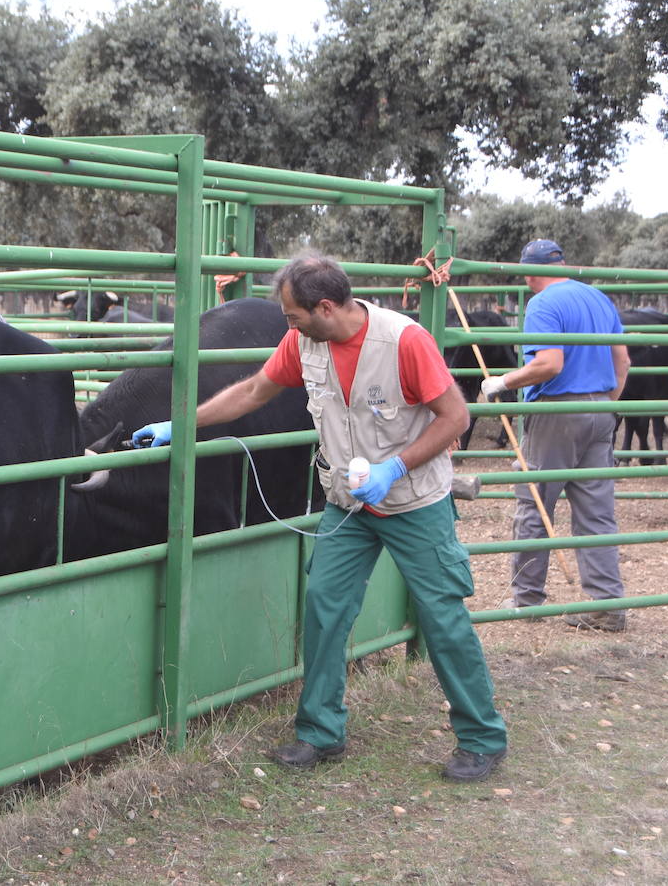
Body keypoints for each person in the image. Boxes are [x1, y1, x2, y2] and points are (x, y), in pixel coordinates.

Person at [132, 252, 508, 782]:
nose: (288, 326)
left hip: (413, 501)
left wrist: (394, 467)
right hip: (348, 504)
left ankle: (483, 737)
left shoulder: (403, 341)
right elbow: (255, 390)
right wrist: (181, 426)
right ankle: (321, 731)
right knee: (325, 607)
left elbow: (456, 417)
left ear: (326, 306)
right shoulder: (305, 342)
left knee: (442, 616)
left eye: (292, 316)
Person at [479, 239, 630, 631]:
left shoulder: (542, 303)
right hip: (601, 409)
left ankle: (527, 600)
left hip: (558, 412)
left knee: (534, 503)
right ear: (562, 263)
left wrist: (503, 381)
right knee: (597, 512)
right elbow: (622, 359)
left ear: (529, 272)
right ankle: (608, 604)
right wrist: (604, 401)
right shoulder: (598, 298)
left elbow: (549, 363)